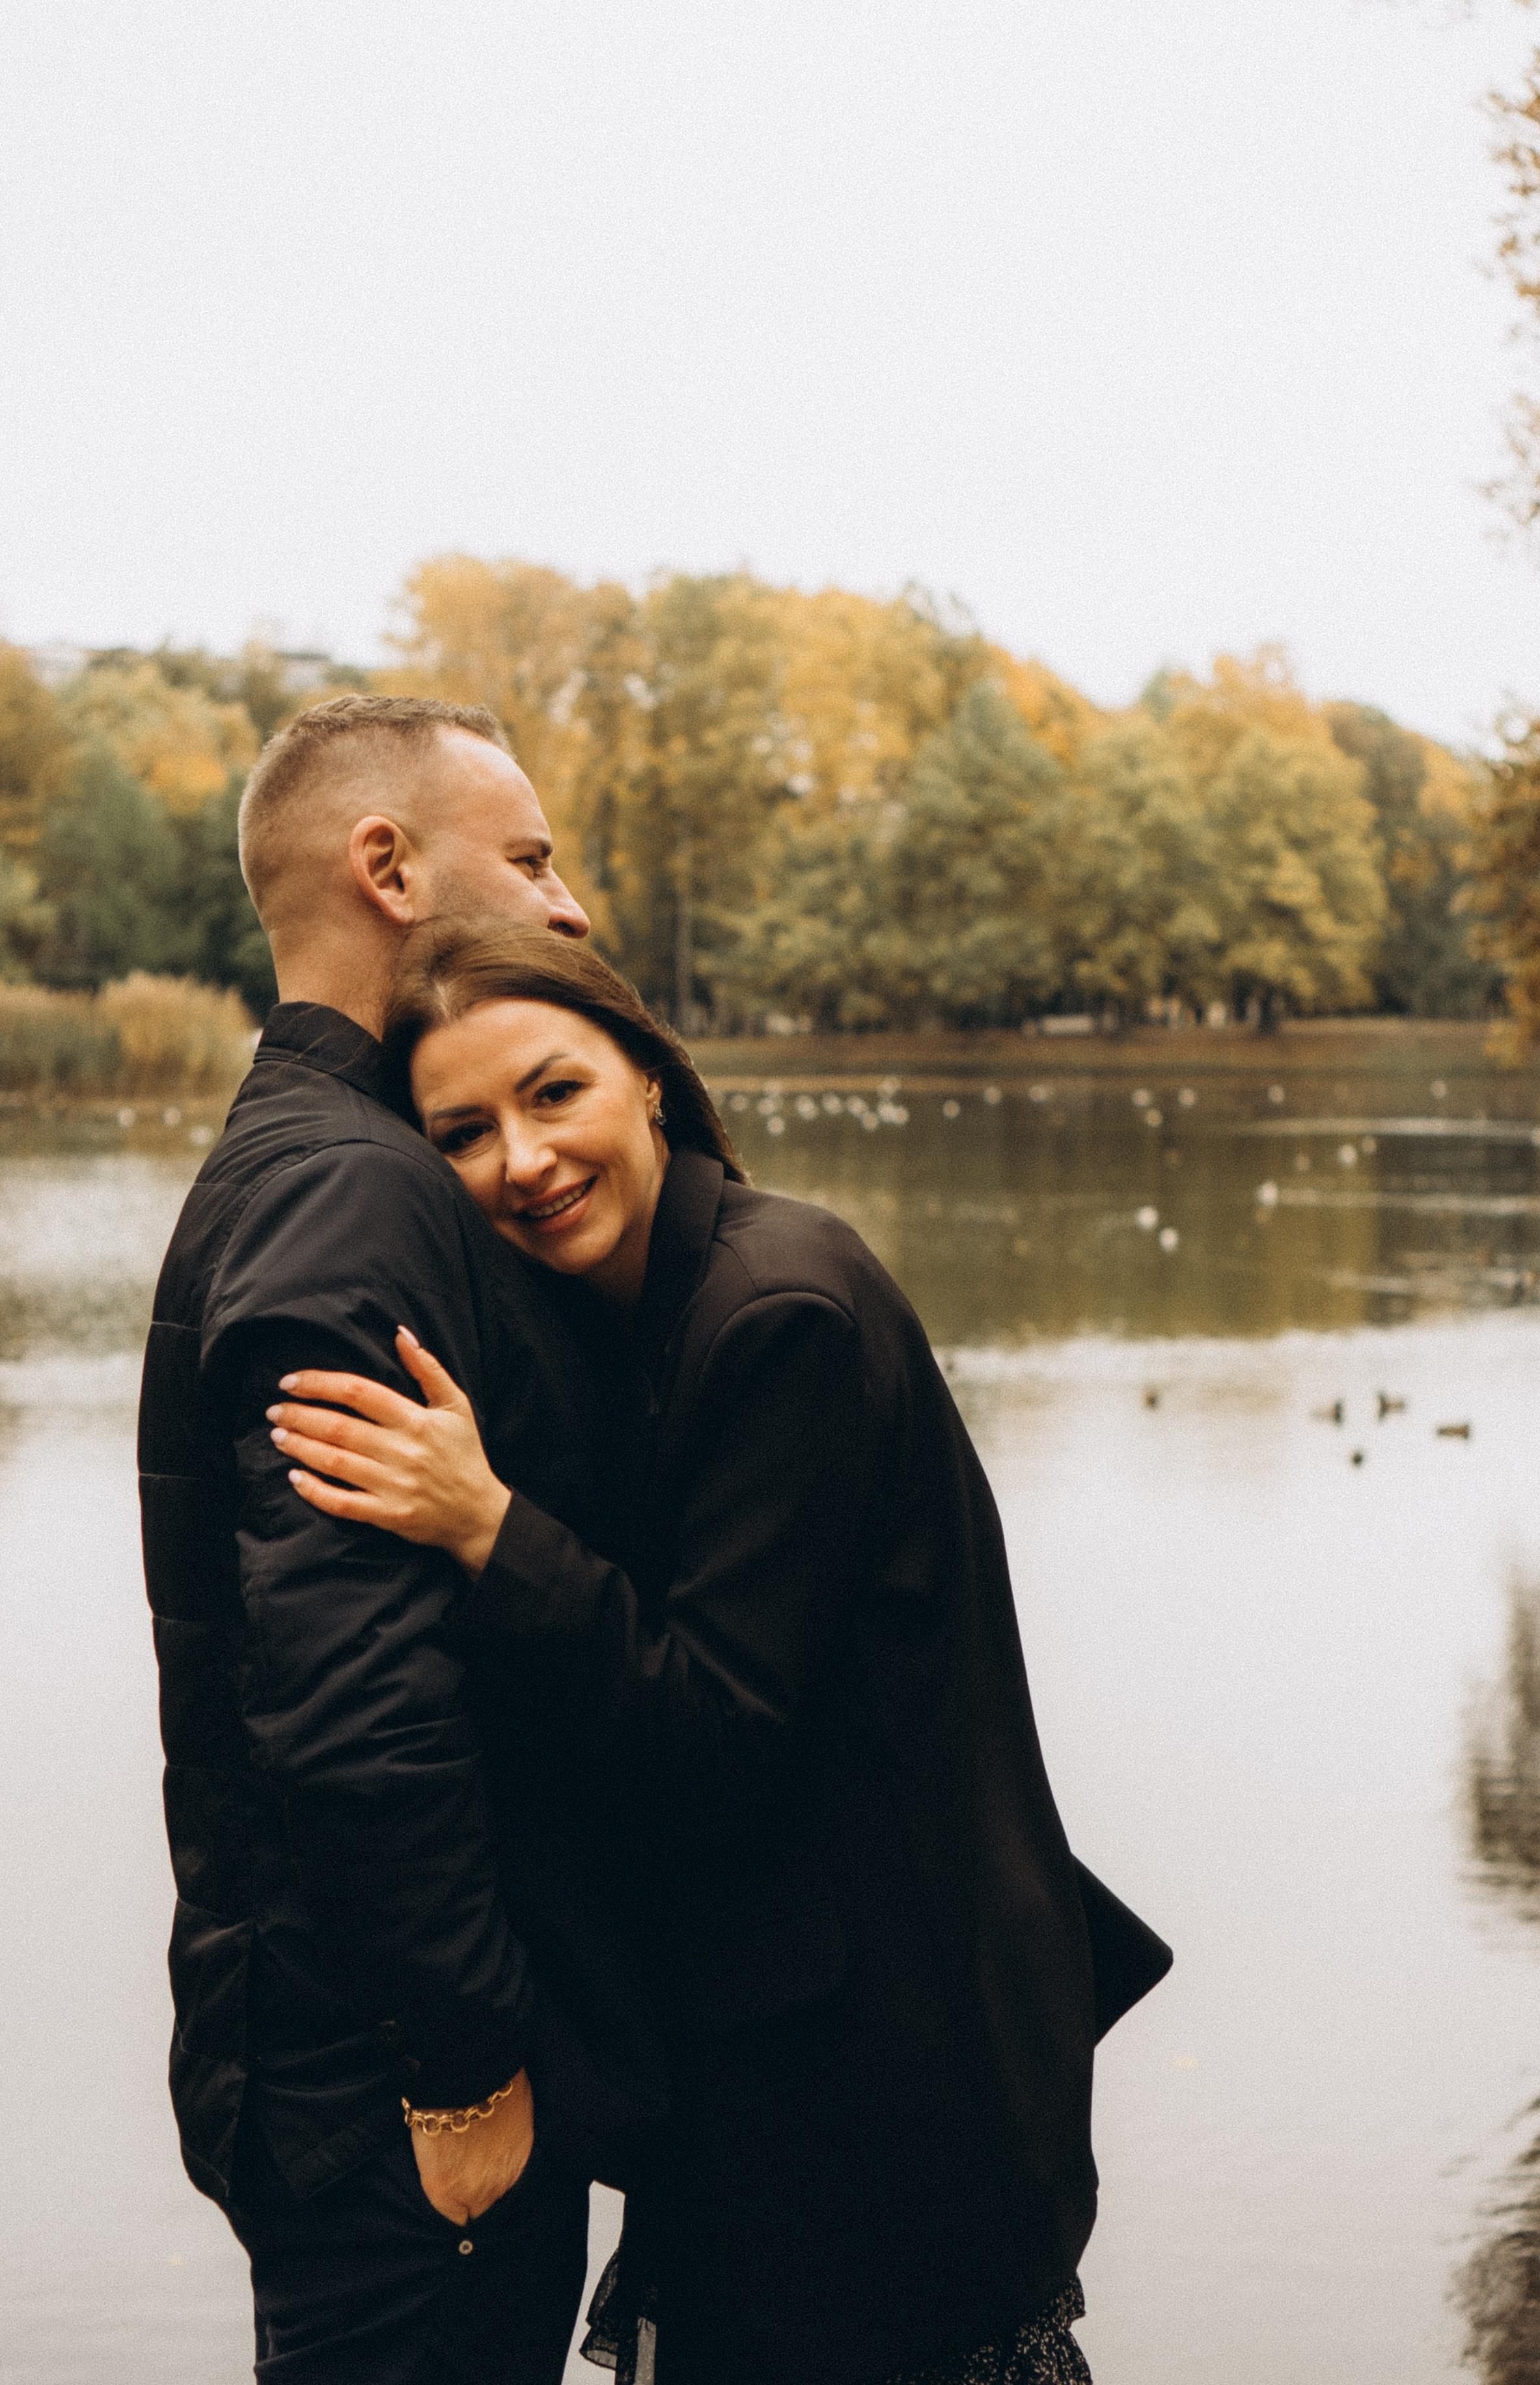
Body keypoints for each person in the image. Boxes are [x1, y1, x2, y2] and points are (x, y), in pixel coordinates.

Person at [267, 918, 1172, 2385]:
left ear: (648, 1083)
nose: (521, 1158)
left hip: (886, 2079)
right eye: (463, 1133)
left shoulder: (778, 1318)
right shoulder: (627, 1313)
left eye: (553, 1093)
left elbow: (721, 1730)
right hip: (782, 2050)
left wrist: (490, 1529)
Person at [138, 698, 666, 2385]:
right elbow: (348, 1682)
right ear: (387, 867)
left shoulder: (324, 1158)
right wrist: (462, 2070)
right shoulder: (353, 1192)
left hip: (349, 2064)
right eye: (525, 857)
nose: (567, 902)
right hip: (391, 2096)